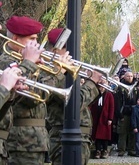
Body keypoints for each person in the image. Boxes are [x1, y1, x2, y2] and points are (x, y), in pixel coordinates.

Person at [44, 28, 104, 165]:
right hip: (63, 137)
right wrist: (92, 83)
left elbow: (82, 104)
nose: (73, 54)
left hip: (81, 136)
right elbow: (74, 103)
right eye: (69, 49)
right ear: (57, 50)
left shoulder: (62, 72)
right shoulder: (53, 72)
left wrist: (97, 89)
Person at [0, 15, 49, 165]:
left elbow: (44, 95)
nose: (36, 44)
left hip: (36, 139)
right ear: (15, 38)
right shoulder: (6, 62)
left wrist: (56, 72)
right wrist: (28, 63)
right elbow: (31, 99)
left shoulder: (26, 63)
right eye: (31, 39)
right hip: (21, 141)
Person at [90, 85, 114, 159]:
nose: (102, 88)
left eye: (103, 87)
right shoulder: (95, 93)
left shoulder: (109, 94)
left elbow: (111, 107)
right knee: (97, 135)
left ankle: (105, 150)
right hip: (96, 117)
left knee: (105, 136)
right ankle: (98, 150)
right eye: (100, 87)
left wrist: (110, 118)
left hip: (105, 118)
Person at [116, 71, 137, 157]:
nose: (130, 78)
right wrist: (120, 115)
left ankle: (131, 150)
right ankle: (121, 150)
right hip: (123, 113)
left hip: (133, 113)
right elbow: (117, 102)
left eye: (131, 76)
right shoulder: (120, 87)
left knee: (132, 133)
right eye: (128, 76)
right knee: (122, 133)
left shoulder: (135, 87)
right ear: (124, 77)